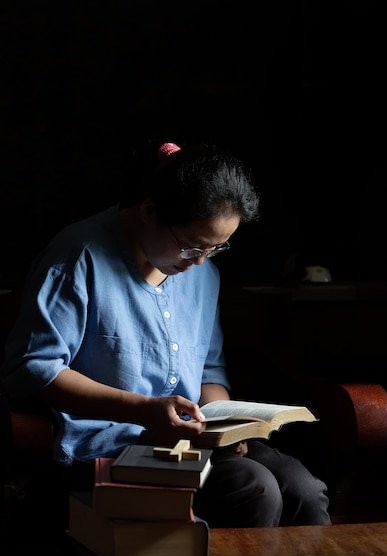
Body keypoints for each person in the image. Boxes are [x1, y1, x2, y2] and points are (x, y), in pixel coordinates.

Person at [0, 139, 330, 527]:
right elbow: (33, 369)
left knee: (304, 490)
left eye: (216, 249)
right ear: (149, 211)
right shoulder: (78, 257)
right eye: (191, 247)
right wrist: (143, 411)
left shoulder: (203, 274)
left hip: (187, 439)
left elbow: (209, 370)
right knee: (251, 487)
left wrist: (221, 427)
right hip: (106, 446)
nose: (200, 263)